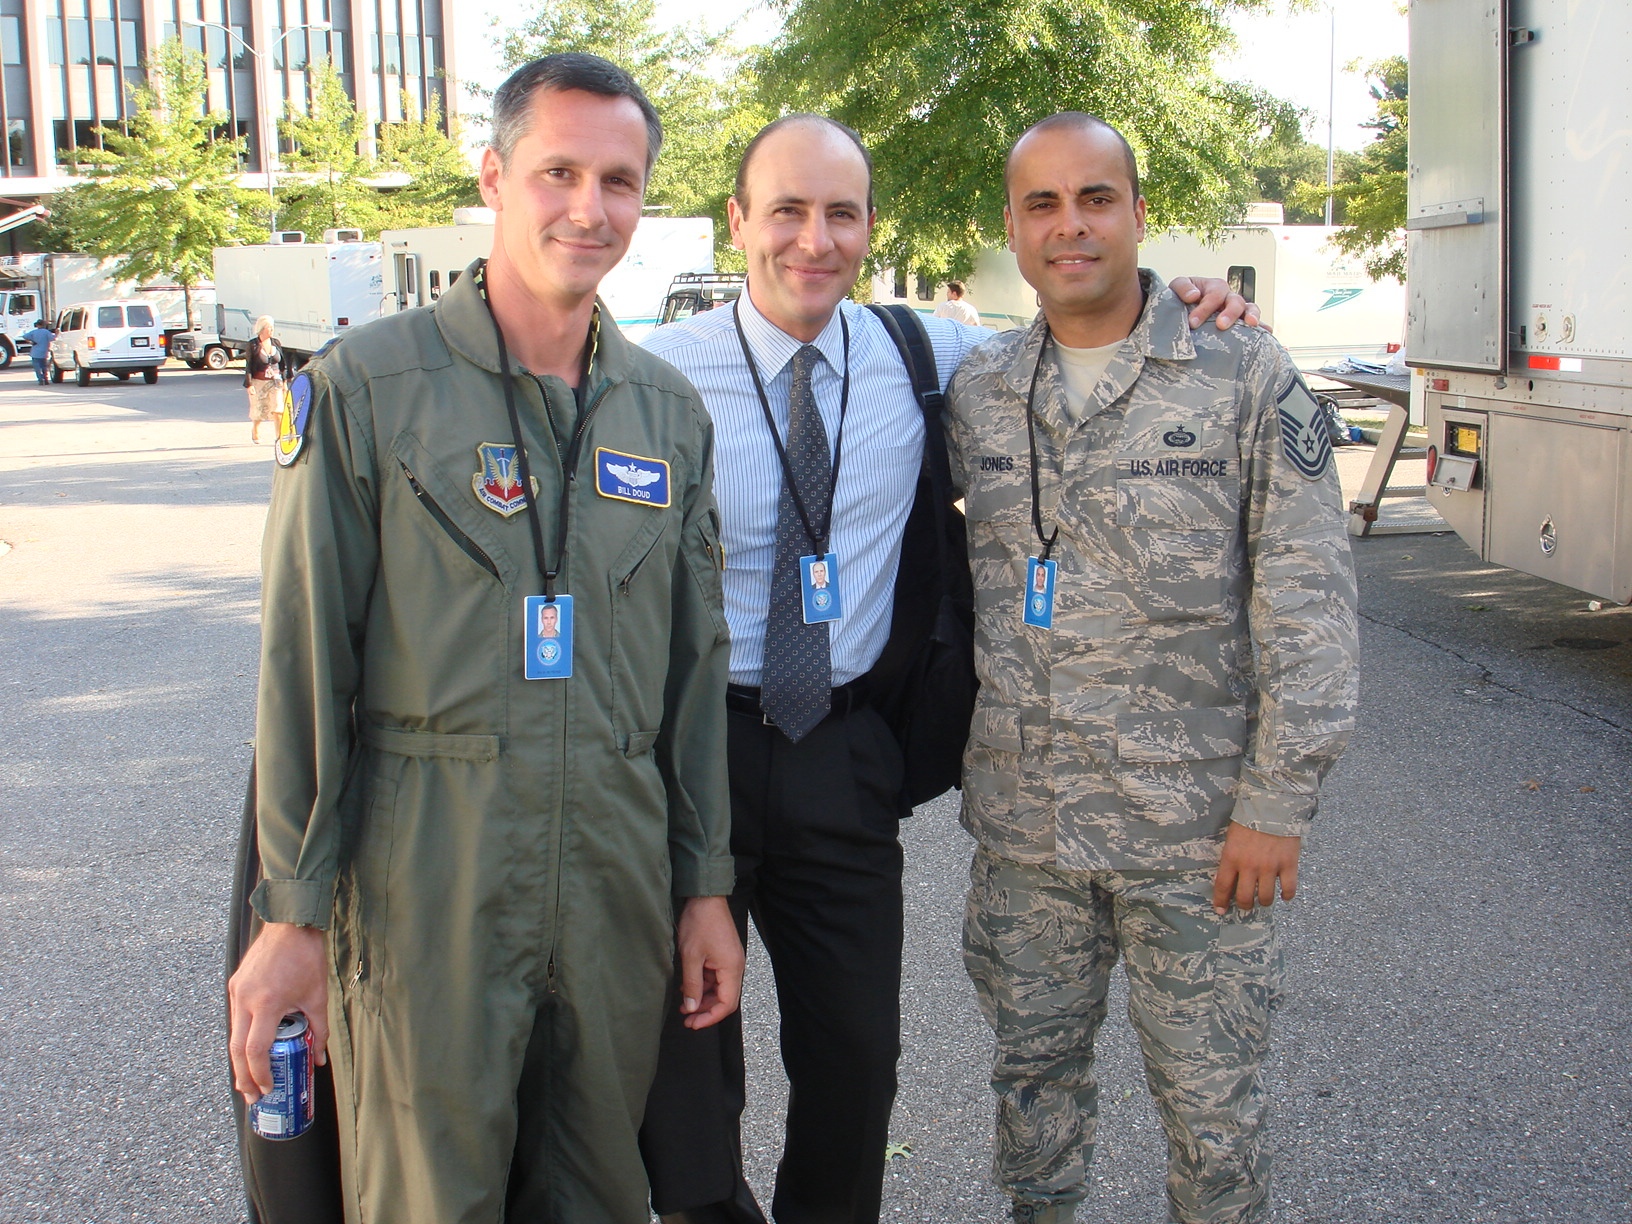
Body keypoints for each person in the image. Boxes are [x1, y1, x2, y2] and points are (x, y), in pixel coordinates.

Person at [637, 112, 1261, 1224]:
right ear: (737, 223)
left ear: (871, 227)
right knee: (685, 1087)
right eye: (786, 210)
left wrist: (1188, 297)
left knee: (854, 1072)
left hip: (841, 753)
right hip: (691, 764)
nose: (813, 240)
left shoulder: (934, 357)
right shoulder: (652, 381)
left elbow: (1085, 328)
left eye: (840, 213)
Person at [226, 53, 742, 1224]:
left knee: (600, 1190)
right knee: (429, 1196)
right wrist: (291, 911)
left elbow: (693, 671)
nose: (589, 207)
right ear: (494, 179)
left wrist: (705, 886)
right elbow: (305, 669)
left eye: (620, 180)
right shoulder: (369, 388)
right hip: (429, 875)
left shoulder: (667, 411)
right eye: (558, 171)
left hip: (614, 873)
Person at [947, 112, 1360, 1224]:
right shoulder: (981, 386)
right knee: (1032, 1107)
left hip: (1200, 841)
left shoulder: (1241, 371)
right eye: (1042, 203)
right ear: (1013, 226)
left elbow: (1310, 603)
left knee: (1214, 1125)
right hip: (1028, 838)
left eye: (1095, 198)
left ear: (1137, 213)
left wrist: (1279, 801)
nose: (1069, 225)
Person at [244, 315, 290, 445]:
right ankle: (255, 430)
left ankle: (279, 436)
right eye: (269, 328)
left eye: (272, 327)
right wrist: (249, 384)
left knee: (278, 409)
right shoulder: (253, 345)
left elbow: (282, 365)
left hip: (276, 382)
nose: (271, 330)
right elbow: (248, 365)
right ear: (262, 329)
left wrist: (285, 382)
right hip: (259, 381)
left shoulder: (276, 342)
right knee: (259, 409)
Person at [23, 319, 54, 384]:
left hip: (35, 352)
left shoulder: (33, 332)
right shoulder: (47, 332)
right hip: (43, 352)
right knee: (44, 366)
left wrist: (31, 342)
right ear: (44, 325)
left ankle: (40, 379)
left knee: (37, 367)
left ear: (37, 325)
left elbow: (25, 336)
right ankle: (45, 379)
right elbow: (52, 338)